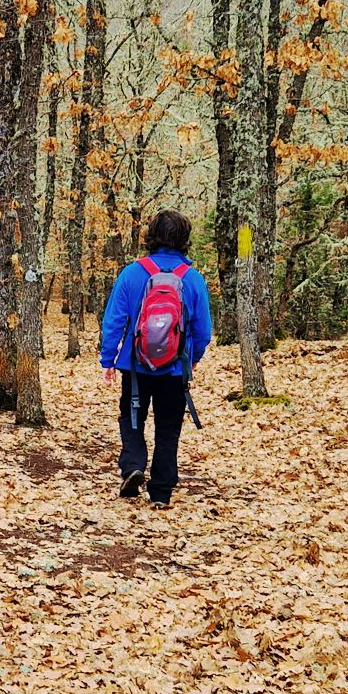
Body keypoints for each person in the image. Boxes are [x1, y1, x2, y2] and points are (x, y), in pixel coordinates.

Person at [99, 210, 212, 508]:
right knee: (168, 426)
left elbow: (114, 320)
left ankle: (133, 465)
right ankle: (161, 491)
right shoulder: (193, 279)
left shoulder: (133, 273)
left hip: (135, 365)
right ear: (184, 239)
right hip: (175, 368)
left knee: (132, 416)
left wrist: (108, 360)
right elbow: (204, 329)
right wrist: (195, 357)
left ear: (151, 235)